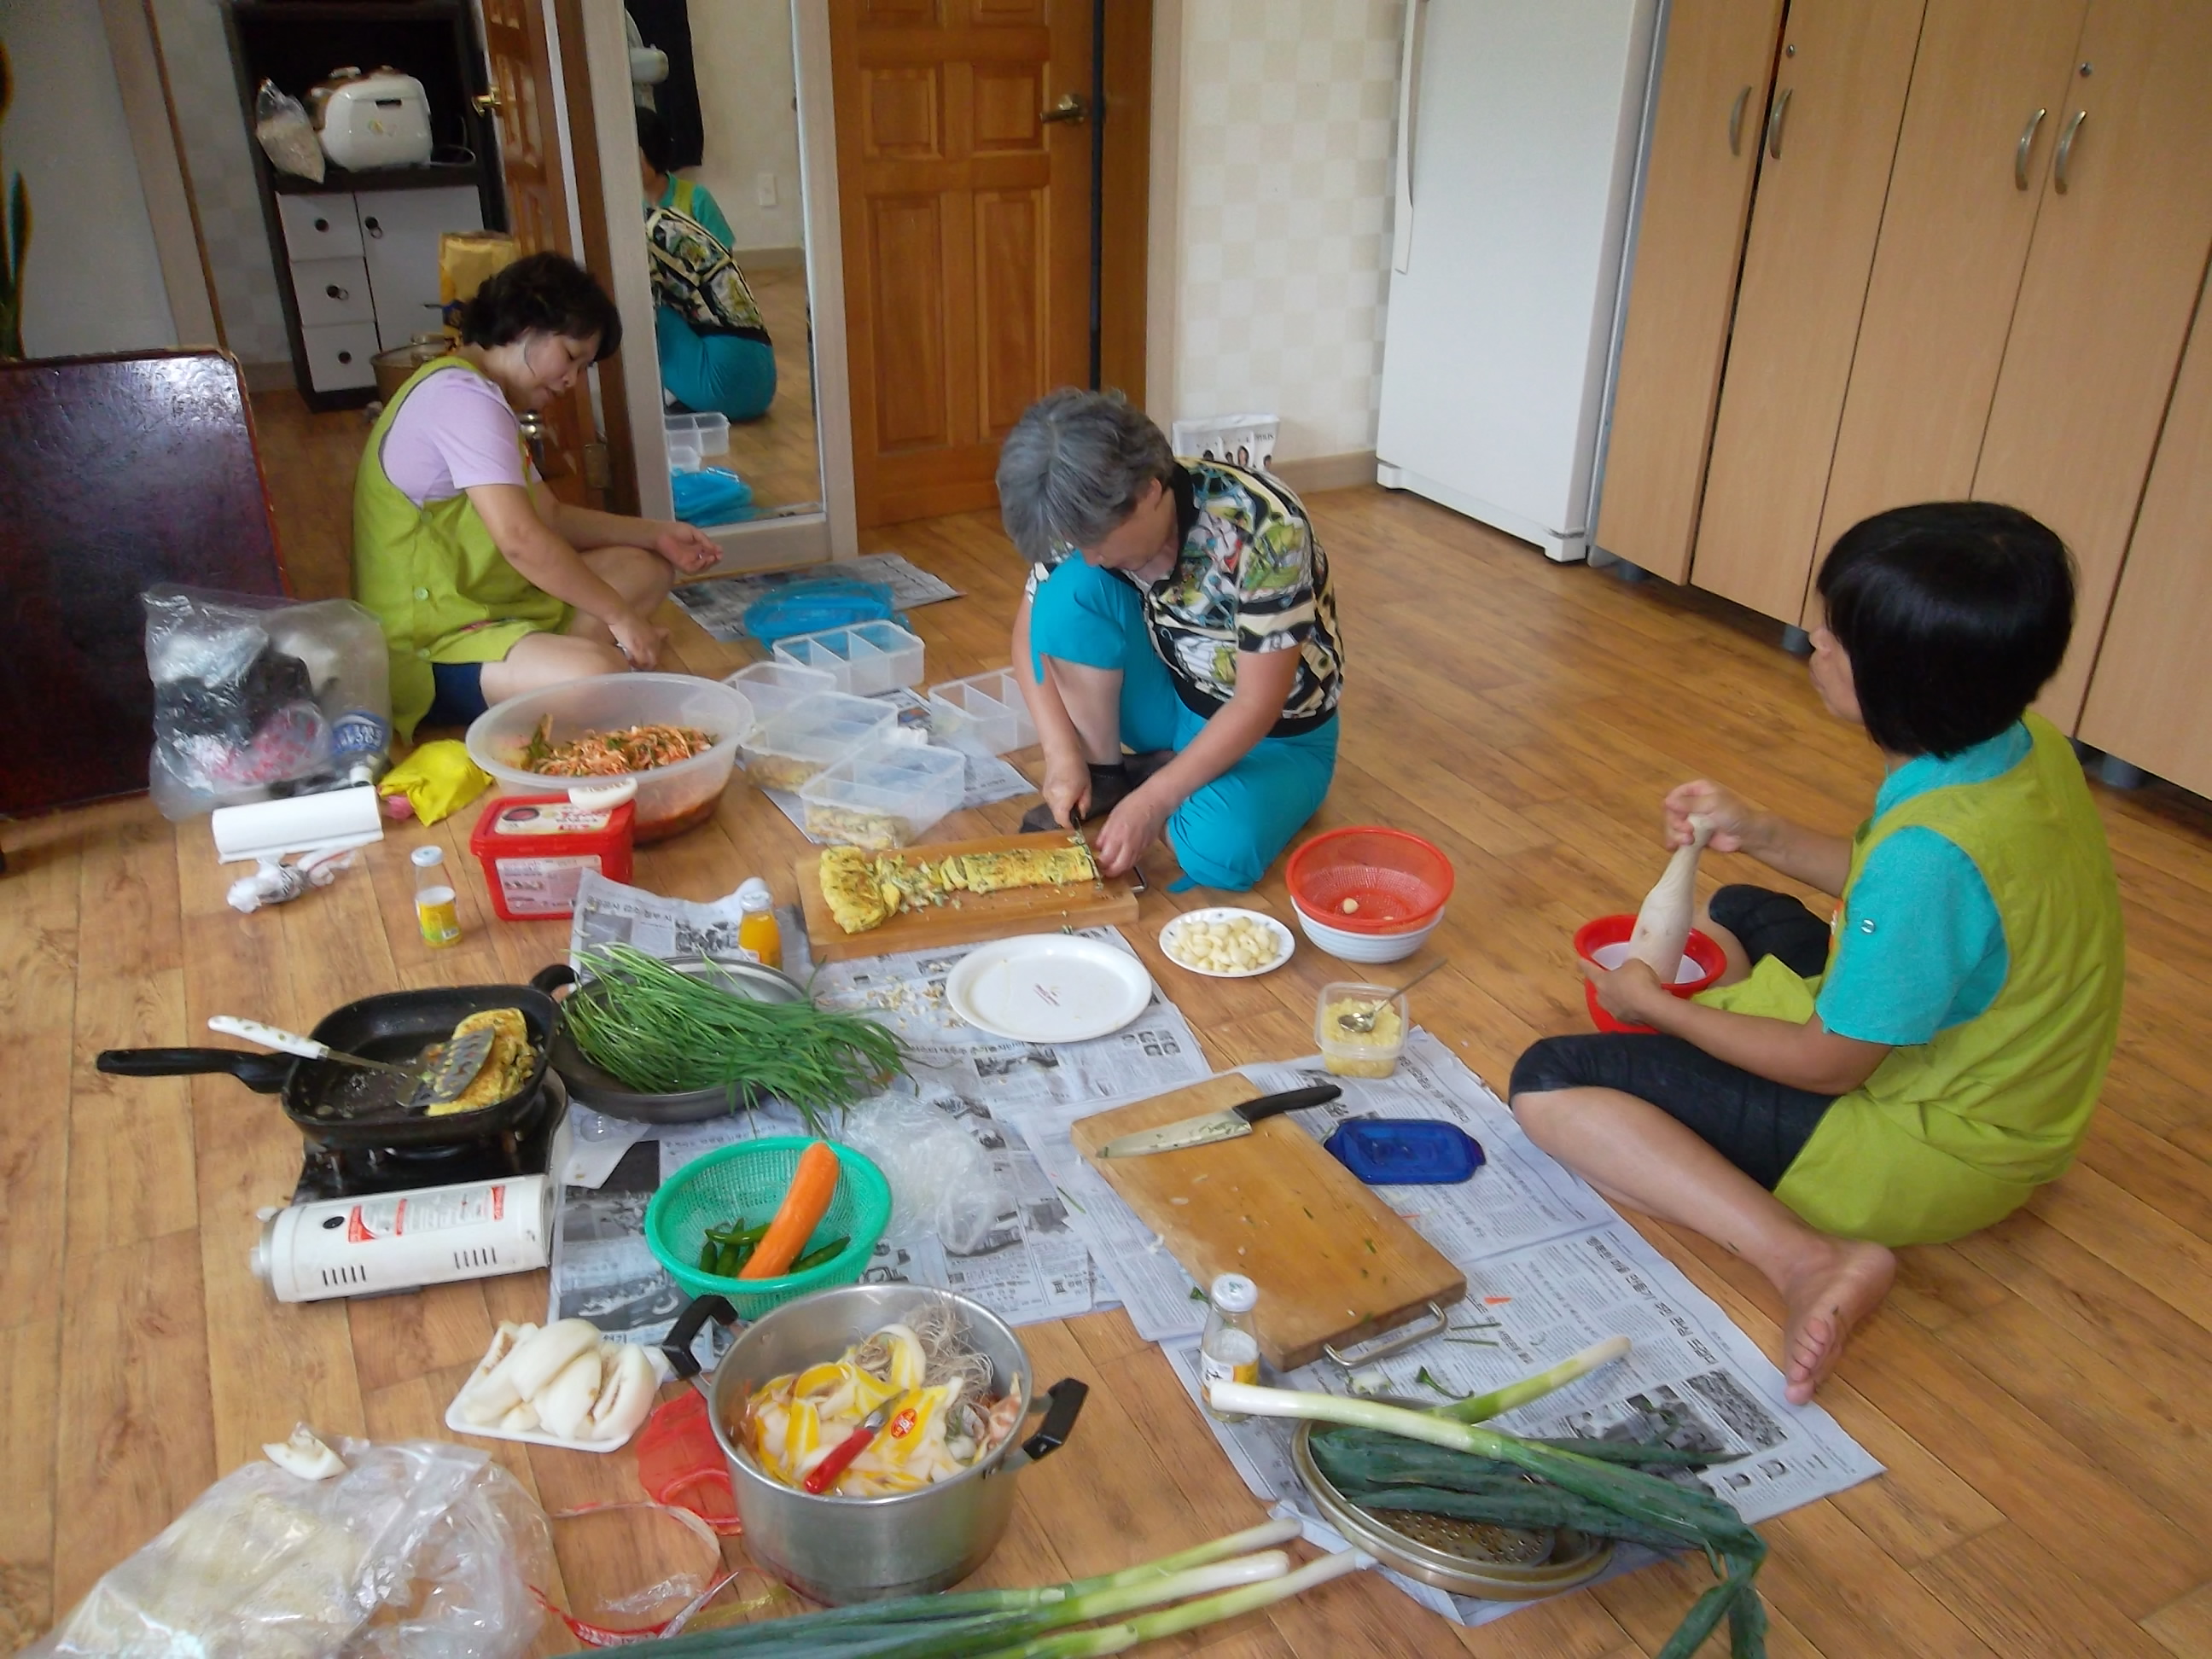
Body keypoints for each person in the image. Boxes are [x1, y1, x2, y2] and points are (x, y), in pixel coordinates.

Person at [1509, 503, 2124, 1405]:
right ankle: (1721, 1071)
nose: (1813, 642)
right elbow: (1897, 896)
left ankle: (1807, 1259)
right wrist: (1756, 830)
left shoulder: (1929, 858)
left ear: (1899, 681)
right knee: (1741, 904)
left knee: (1550, 1080)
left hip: (1935, 1146)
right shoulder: (2020, 748)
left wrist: (1656, 1010)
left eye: (1835, 636)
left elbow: (1830, 1063)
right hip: (2016, 1095)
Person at [352, 252, 721, 742]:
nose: (571, 381)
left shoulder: (479, 391)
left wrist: (657, 534)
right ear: (525, 327)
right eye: (570, 357)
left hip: (490, 603)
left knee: (647, 566)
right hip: (431, 644)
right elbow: (521, 541)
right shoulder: (464, 399)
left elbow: (550, 515)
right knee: (597, 675)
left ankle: (552, 668)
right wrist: (619, 616)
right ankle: (565, 670)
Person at [997, 389, 1346, 891]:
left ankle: (1161, 778)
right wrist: (1061, 755)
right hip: (1174, 700)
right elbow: (1031, 634)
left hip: (1276, 736)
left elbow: (1258, 702)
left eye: (1099, 542)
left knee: (1217, 850)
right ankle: (1109, 774)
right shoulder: (1084, 521)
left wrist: (1154, 802)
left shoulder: (1266, 526)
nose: (1091, 556)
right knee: (1068, 592)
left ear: (1150, 492)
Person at [638, 106, 776, 421]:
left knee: (643, 305)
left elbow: (725, 258)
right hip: (758, 375)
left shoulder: (690, 200)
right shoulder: (648, 216)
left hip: (716, 360)